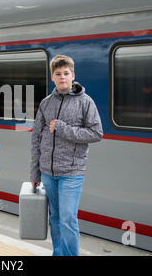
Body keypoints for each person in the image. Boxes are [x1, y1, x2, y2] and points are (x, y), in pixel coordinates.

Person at [30, 55, 103, 256]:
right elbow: (36, 140)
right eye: (58, 74)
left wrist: (63, 129)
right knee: (55, 217)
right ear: (52, 77)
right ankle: (58, 253)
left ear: (73, 76)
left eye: (66, 73)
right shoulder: (46, 104)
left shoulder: (86, 102)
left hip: (71, 172)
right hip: (48, 173)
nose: (62, 77)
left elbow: (96, 133)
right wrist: (34, 175)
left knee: (68, 218)